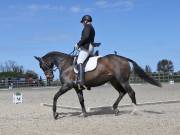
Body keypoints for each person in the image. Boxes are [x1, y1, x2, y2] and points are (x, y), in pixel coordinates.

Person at [74, 15, 95, 86]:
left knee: (79, 61)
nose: (83, 23)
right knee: (86, 61)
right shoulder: (91, 27)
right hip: (91, 47)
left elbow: (85, 37)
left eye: (83, 22)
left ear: (86, 21)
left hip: (87, 47)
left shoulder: (87, 26)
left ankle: (81, 80)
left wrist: (78, 44)